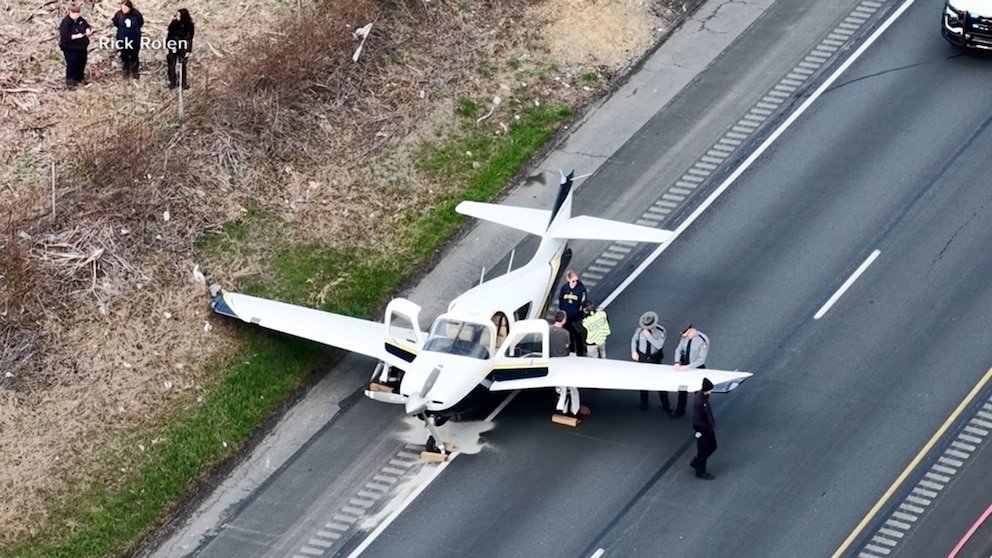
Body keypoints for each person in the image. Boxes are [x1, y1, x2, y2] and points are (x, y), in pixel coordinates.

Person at [670, 324, 709, 418]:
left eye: (686, 334)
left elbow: (701, 360)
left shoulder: (702, 340)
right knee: (682, 390)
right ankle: (680, 410)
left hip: (696, 368)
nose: (685, 336)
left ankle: (701, 413)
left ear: (691, 330)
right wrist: (677, 362)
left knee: (698, 392)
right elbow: (678, 349)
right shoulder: (685, 337)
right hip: (684, 366)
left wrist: (688, 367)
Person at [630, 311, 666, 411]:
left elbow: (659, 345)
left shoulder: (660, 331)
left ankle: (665, 404)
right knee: (643, 381)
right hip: (643, 357)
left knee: (660, 382)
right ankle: (644, 403)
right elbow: (634, 340)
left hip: (654, 358)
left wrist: (648, 336)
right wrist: (634, 351)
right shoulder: (640, 329)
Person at [549, 311, 580, 417]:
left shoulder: (548, 329)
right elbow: (567, 345)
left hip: (551, 357)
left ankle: (560, 396)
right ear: (563, 320)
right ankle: (570, 406)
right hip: (563, 357)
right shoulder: (565, 333)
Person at [58, 5, 92, 89]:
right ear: (71, 13)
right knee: (72, 64)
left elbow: (87, 25)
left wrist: (88, 29)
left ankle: (80, 78)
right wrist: (76, 36)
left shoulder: (80, 20)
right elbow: (65, 36)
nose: (77, 15)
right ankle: (70, 82)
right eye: (75, 14)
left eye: (78, 13)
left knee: (81, 62)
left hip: (82, 47)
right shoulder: (65, 22)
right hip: (70, 48)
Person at [690, 377, 717, 480]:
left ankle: (697, 462)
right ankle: (700, 471)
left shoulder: (703, 397)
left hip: (707, 428)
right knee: (703, 449)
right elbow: (697, 419)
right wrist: (705, 428)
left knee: (711, 447)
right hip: (703, 430)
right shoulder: (700, 402)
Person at [111, 0, 144, 78]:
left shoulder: (136, 14)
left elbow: (141, 23)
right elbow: (115, 23)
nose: (124, 10)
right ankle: (126, 69)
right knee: (124, 54)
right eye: (122, 8)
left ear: (129, 7)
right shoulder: (118, 14)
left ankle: (135, 70)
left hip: (134, 38)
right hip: (122, 38)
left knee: (134, 55)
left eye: (125, 8)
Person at [558, 270, 587, 356]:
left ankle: (580, 353)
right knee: (568, 335)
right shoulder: (564, 288)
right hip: (567, 318)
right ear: (568, 280)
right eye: (573, 281)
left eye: (575, 280)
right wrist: (563, 312)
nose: (574, 283)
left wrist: (580, 312)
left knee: (578, 335)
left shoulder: (581, 289)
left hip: (577, 318)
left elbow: (583, 302)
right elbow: (561, 300)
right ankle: (571, 352)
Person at [166, 9, 195, 89]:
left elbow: (189, 38)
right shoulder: (173, 23)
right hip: (173, 44)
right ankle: (172, 82)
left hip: (183, 46)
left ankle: (183, 83)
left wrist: (188, 50)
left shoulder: (189, 25)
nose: (177, 17)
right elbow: (169, 36)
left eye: (179, 15)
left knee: (183, 65)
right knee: (171, 64)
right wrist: (167, 47)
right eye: (177, 15)